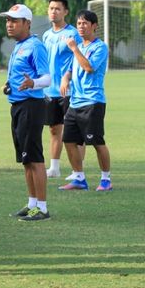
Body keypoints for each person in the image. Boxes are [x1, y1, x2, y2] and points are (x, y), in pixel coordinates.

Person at [0, 4, 51, 222]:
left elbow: (47, 78)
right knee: (26, 159)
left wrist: (32, 83)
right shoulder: (20, 46)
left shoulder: (35, 46)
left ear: (27, 24)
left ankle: (42, 208)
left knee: (35, 158)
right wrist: (9, 86)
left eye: (15, 21)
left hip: (32, 105)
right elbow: (22, 76)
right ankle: (32, 204)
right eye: (8, 20)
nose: (9, 24)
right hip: (19, 106)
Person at [58, 10, 112, 192]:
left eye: (85, 23)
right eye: (79, 23)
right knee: (69, 140)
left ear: (94, 26)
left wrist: (74, 48)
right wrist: (66, 78)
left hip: (92, 102)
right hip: (75, 103)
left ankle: (106, 179)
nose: (81, 27)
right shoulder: (80, 46)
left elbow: (88, 67)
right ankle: (79, 177)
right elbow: (72, 69)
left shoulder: (100, 47)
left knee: (96, 141)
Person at [42, 0, 82, 178]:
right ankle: (55, 168)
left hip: (69, 90)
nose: (53, 11)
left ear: (65, 12)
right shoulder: (46, 35)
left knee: (74, 131)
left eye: (57, 8)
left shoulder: (73, 34)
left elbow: (81, 59)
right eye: (51, 8)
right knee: (54, 129)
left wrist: (68, 77)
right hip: (50, 91)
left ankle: (78, 171)